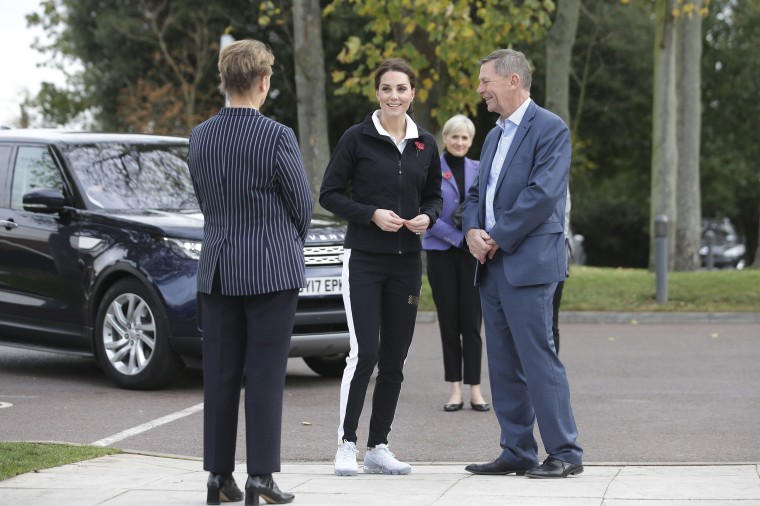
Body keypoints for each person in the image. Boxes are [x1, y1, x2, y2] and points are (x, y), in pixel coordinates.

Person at [188, 39, 313, 505]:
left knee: (220, 376)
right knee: (264, 375)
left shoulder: (200, 136)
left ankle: (218, 478)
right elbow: (301, 206)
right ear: (263, 82)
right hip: (270, 272)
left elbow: (205, 201)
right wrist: (281, 244)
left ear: (224, 80)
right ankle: (261, 476)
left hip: (218, 268)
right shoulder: (276, 136)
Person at [461, 49, 583, 479]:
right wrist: (472, 231)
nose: (480, 90)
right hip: (491, 265)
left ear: (513, 81)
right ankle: (517, 450)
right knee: (502, 363)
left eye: (485, 82)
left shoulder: (550, 128)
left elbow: (542, 194)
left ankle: (565, 453)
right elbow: (476, 194)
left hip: (528, 262)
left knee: (538, 359)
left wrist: (497, 236)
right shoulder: (493, 135)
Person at [319, 58, 442, 477]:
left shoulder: (425, 143)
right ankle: (346, 443)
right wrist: (370, 213)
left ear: (412, 94)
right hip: (365, 260)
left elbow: (434, 197)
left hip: (408, 263)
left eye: (401, 89)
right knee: (365, 352)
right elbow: (330, 194)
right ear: (377, 93)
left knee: (395, 357)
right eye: (387, 88)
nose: (394, 96)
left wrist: (429, 217)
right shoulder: (356, 138)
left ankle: (378, 446)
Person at [421, 114, 489, 413]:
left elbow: (488, 207)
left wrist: (477, 239)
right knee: (449, 322)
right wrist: (457, 238)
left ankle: (475, 389)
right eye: (454, 137)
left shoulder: (480, 169)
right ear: (445, 139)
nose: (460, 142)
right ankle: (454, 390)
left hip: (475, 254)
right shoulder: (431, 170)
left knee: (472, 322)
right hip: (441, 253)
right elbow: (425, 212)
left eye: (465, 138)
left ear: (471, 141)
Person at [552, 192, 572, 354]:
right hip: (555, 253)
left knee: (551, 323)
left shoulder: (557, 173)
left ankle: (550, 377)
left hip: (555, 254)